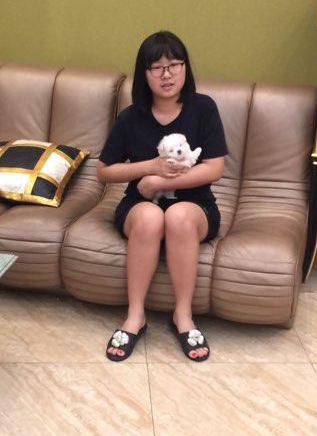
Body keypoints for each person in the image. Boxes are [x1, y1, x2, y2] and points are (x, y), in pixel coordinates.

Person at [97, 30, 228, 362]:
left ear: (185, 68)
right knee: (151, 216)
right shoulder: (131, 117)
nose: (166, 74)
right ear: (145, 74)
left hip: (196, 206)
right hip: (139, 205)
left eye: (174, 65)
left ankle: (183, 316)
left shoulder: (203, 108)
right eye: (156, 67)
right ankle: (135, 316)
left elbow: (214, 167)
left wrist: (158, 182)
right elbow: (104, 171)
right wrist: (149, 168)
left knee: (178, 216)